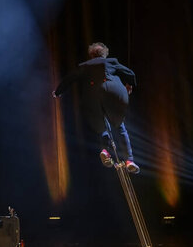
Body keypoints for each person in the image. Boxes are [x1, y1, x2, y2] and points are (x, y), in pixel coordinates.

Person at [53, 42, 140, 174]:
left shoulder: (85, 66)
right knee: (120, 127)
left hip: (93, 95)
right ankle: (129, 160)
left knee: (102, 125)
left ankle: (105, 150)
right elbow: (130, 73)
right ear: (105, 53)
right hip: (113, 91)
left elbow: (69, 78)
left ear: (91, 55)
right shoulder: (112, 61)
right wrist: (129, 86)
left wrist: (58, 92)